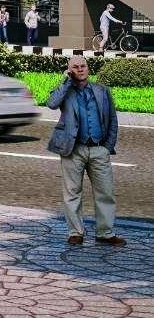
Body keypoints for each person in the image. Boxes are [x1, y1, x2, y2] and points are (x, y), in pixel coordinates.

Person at [48, 56, 124, 246]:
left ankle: (105, 233)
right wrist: (66, 80)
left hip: (99, 149)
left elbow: (112, 120)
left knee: (105, 192)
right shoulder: (65, 91)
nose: (80, 69)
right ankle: (75, 232)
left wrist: (107, 147)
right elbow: (52, 103)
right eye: (75, 67)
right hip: (73, 149)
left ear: (88, 69)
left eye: (83, 66)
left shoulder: (102, 91)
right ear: (69, 70)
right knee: (72, 193)